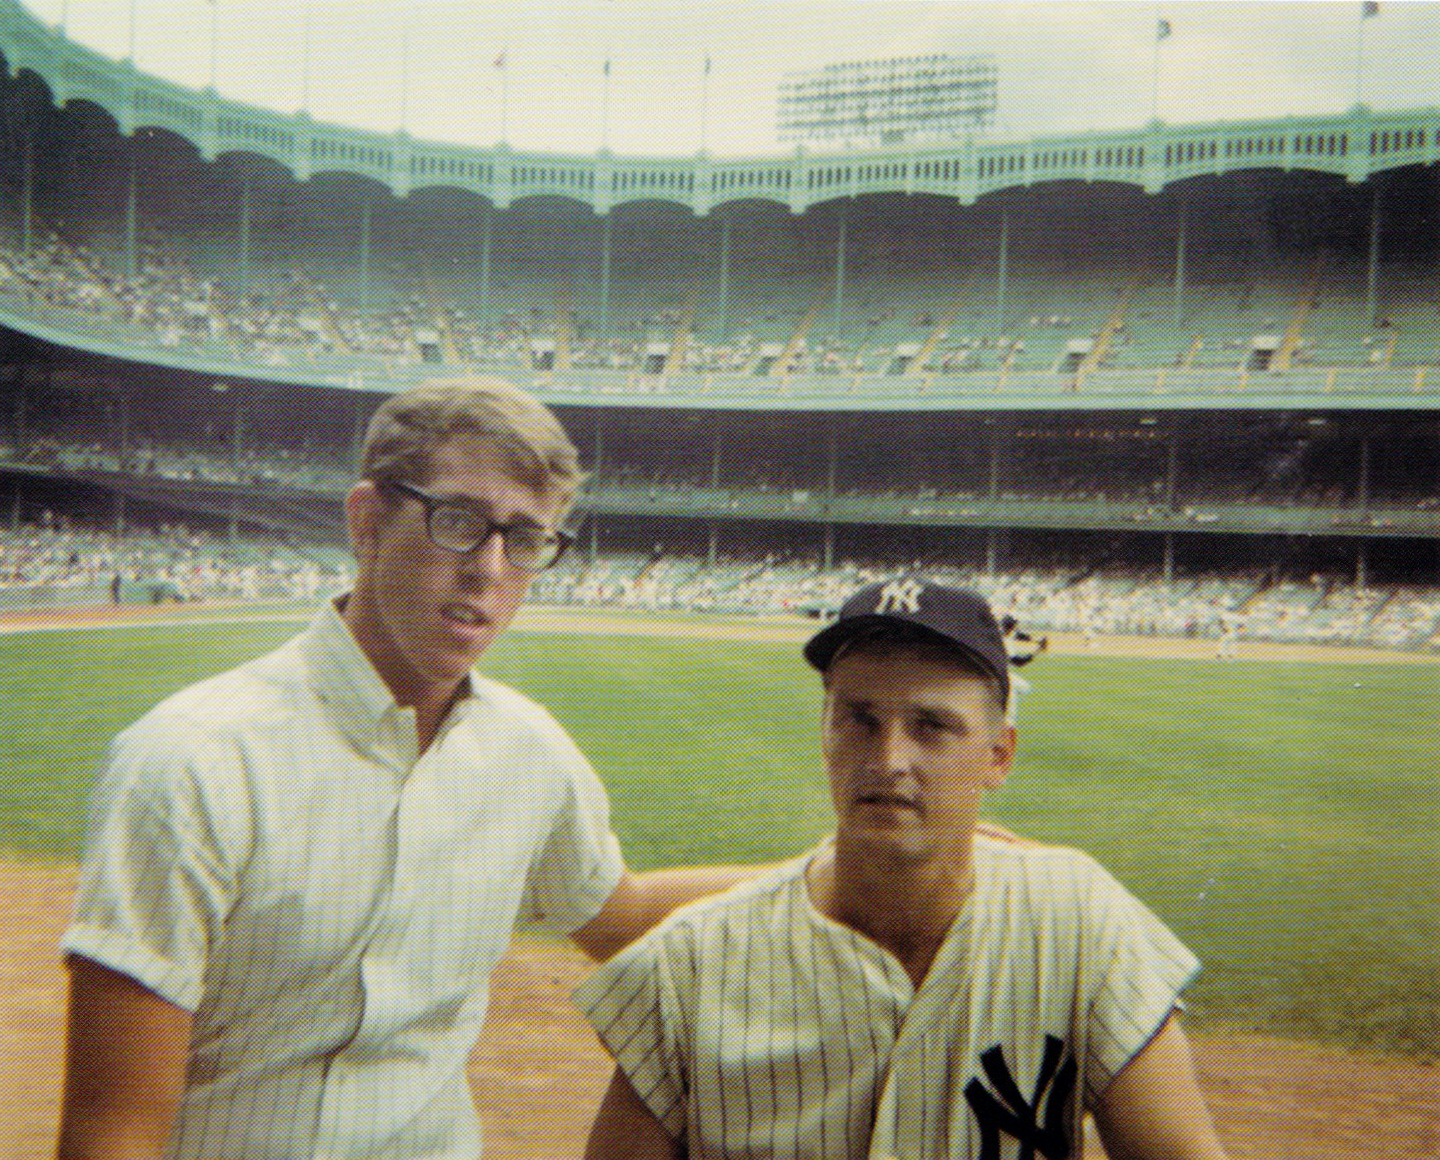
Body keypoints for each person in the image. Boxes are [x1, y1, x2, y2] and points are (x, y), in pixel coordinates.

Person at [56, 377, 758, 1160]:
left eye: (525, 539)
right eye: (458, 520)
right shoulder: (189, 762)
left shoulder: (530, 756)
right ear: (367, 521)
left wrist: (841, 875)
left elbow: (620, 916)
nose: (490, 569)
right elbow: (112, 1135)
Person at [579, 579, 1229, 1160]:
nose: (889, 759)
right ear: (825, 730)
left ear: (998, 755)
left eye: (931, 726)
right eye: (859, 719)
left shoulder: (1083, 924)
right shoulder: (686, 967)